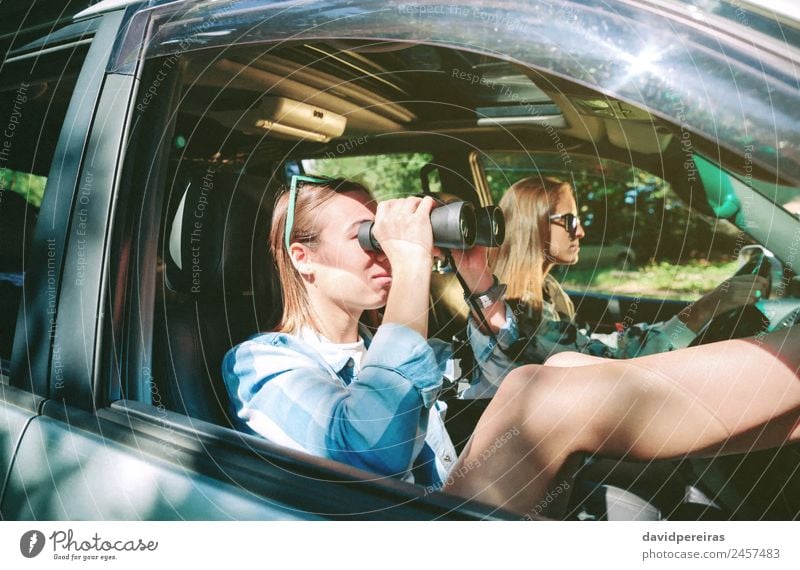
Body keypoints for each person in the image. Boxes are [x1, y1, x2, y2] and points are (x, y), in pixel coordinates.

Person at [222, 176, 800, 517]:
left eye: (384, 237)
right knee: (541, 394)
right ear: (303, 258)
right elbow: (373, 450)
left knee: (565, 368)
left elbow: (509, 366)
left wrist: (479, 282)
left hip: (449, 511)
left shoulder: (378, 343)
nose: (384, 253)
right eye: (366, 238)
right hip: (397, 536)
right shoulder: (260, 361)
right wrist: (414, 261)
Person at [489, 176, 768, 365]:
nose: (581, 231)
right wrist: (708, 307)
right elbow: (606, 358)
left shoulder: (545, 290)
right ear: (534, 223)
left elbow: (586, 346)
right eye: (570, 221)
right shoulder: (519, 310)